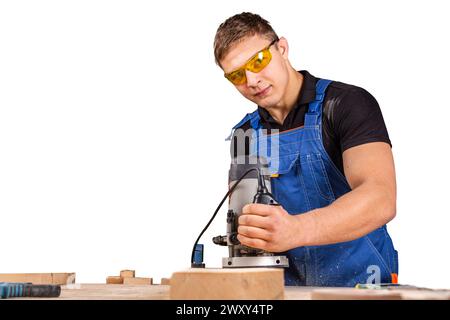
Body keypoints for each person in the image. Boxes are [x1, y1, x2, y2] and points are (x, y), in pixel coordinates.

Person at [213, 12, 398, 287]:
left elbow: (380, 199)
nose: (251, 80)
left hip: (363, 286)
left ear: (282, 48)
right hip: (285, 292)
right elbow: (245, 227)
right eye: (237, 75)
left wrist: (295, 230)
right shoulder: (245, 135)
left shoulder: (345, 105)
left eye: (259, 61)